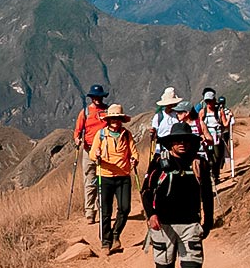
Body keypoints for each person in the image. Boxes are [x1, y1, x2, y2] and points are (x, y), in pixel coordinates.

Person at [141, 122, 214, 268]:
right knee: (164, 266)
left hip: (191, 223)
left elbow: (207, 195)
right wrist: (151, 214)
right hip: (163, 225)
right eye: (177, 141)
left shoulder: (199, 163)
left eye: (186, 140)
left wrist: (207, 222)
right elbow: (147, 191)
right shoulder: (159, 162)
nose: (182, 144)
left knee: (192, 267)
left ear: (192, 143)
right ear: (171, 143)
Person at [89, 104, 139, 253]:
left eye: (118, 119)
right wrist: (96, 155)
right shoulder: (101, 134)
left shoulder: (126, 134)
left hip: (123, 176)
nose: (116, 122)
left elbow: (134, 152)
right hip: (105, 176)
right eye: (113, 119)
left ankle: (116, 234)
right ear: (108, 120)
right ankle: (106, 242)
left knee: (125, 208)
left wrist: (135, 159)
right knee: (106, 211)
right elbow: (92, 154)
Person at [73, 84, 109, 223]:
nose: (97, 99)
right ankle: (90, 212)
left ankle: (102, 210)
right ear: (92, 98)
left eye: (99, 97)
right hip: (89, 150)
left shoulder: (107, 111)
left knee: (104, 181)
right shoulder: (85, 112)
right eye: (95, 97)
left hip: (105, 151)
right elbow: (78, 130)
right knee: (90, 181)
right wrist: (77, 139)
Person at [150, 87, 183, 154]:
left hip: (175, 147)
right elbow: (154, 132)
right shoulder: (159, 116)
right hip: (162, 148)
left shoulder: (177, 115)